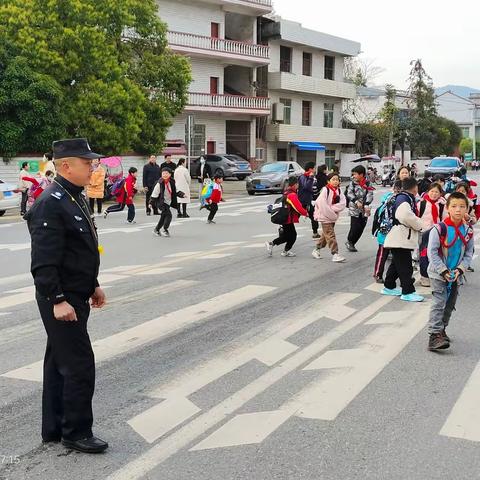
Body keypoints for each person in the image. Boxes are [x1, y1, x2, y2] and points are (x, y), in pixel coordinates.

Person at [24, 138, 108, 453]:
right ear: (66, 166)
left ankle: (54, 429)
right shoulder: (50, 202)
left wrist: (93, 283)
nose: (93, 167)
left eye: (93, 162)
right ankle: (76, 431)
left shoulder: (73, 197)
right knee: (79, 364)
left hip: (75, 292)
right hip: (61, 298)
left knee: (58, 361)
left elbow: (78, 251)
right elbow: (44, 262)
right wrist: (57, 300)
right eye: (87, 163)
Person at [427, 192, 474, 351]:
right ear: (447, 208)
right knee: (439, 302)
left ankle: (442, 329)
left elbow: (469, 253)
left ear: (467, 209)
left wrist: (460, 270)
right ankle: (434, 335)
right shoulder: (439, 228)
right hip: (438, 273)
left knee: (450, 304)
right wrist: (443, 270)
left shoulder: (467, 231)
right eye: (454, 206)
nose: (458, 210)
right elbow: (432, 252)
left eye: (462, 206)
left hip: (456, 275)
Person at [382, 177, 424, 302]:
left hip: (398, 237)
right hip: (400, 237)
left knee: (396, 264)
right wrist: (419, 224)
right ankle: (408, 291)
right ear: (415, 187)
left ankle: (388, 286)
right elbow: (404, 215)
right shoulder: (404, 199)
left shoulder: (402, 197)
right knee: (406, 267)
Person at [265, 177, 308, 257]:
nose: (298, 185)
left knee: (288, 236)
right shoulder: (292, 194)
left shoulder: (287, 192)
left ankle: (275, 246)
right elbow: (297, 207)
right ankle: (278, 247)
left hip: (285, 218)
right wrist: (306, 213)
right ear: (295, 184)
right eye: (298, 184)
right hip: (287, 219)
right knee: (292, 236)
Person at [312, 172, 346, 263]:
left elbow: (343, 203)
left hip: (332, 216)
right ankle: (335, 254)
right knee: (330, 235)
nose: (335, 181)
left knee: (325, 235)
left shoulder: (339, 190)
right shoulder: (325, 190)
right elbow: (322, 205)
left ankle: (317, 249)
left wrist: (332, 209)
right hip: (324, 216)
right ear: (328, 181)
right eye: (333, 179)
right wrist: (332, 213)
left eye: (337, 180)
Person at [417, 183, 447, 286]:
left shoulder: (442, 205)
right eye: (432, 191)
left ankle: (434, 274)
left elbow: (444, 220)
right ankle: (424, 277)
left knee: (435, 254)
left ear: (440, 194)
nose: (434, 194)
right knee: (424, 255)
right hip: (423, 233)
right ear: (428, 192)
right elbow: (416, 217)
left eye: (436, 192)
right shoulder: (421, 203)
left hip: (436, 233)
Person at [372, 180, 402, 283]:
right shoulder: (398, 201)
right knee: (394, 256)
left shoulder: (386, 201)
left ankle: (378, 275)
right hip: (391, 233)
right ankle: (379, 274)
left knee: (383, 255)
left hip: (385, 232)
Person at [345, 165, 374, 252]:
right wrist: (356, 201)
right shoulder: (352, 183)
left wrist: (366, 204)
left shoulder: (368, 183)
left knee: (361, 227)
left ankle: (352, 243)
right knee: (355, 227)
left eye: (355, 174)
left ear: (361, 175)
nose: (354, 176)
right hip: (354, 208)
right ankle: (349, 241)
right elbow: (349, 193)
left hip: (365, 209)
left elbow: (370, 194)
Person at [151, 167, 178, 237]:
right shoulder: (159, 183)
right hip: (161, 202)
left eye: (166, 173)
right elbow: (155, 193)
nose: (165, 175)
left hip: (168, 201)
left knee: (163, 216)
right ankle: (165, 230)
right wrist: (151, 203)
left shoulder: (172, 182)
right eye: (163, 173)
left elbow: (176, 191)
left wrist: (182, 194)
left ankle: (156, 229)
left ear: (170, 174)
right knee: (169, 215)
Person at [298, 162, 318, 238]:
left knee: (314, 216)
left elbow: (313, 188)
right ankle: (283, 228)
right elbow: (306, 187)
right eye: (314, 168)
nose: (315, 170)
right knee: (295, 215)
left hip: (309, 201)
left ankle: (315, 232)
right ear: (310, 169)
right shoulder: (303, 177)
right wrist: (310, 178)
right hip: (302, 201)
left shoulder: (312, 177)